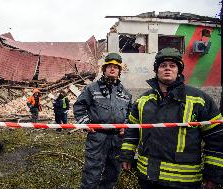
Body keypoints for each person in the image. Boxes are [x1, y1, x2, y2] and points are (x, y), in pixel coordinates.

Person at [120, 48, 223, 189]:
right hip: (148, 177)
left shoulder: (199, 100)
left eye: (172, 65)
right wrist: (127, 154)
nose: (167, 68)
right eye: (163, 66)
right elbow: (132, 131)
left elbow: (216, 137)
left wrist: (213, 173)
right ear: (156, 70)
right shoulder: (143, 100)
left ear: (179, 70)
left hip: (184, 181)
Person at [73, 52, 132, 189]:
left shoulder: (125, 93)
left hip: (118, 139)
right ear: (103, 69)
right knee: (91, 173)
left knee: (112, 173)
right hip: (97, 137)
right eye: (109, 66)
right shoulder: (92, 89)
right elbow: (79, 106)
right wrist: (86, 123)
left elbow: (131, 113)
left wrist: (126, 126)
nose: (112, 69)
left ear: (119, 71)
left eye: (116, 67)